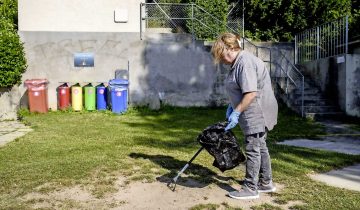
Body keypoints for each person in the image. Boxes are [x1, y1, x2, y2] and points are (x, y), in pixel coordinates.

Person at [211, 32, 278, 200]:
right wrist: (231, 106)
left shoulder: (245, 62)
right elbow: (241, 88)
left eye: (222, 55)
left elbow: (250, 93)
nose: (222, 60)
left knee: (253, 148)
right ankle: (266, 182)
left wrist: (237, 112)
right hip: (254, 110)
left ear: (230, 48)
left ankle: (250, 187)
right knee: (260, 146)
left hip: (256, 111)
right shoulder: (239, 62)